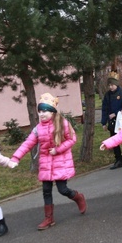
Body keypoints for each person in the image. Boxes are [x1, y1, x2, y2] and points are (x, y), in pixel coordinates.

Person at [11, 93, 86, 230]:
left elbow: (72, 139)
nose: (41, 114)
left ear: (52, 112)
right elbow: (28, 143)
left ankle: (78, 197)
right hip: (46, 163)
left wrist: (58, 150)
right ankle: (49, 219)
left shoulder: (62, 123)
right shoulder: (38, 129)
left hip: (60, 162)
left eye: (44, 111)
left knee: (62, 189)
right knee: (46, 190)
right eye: (39, 111)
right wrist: (16, 157)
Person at [101, 72, 122, 169]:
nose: (110, 87)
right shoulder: (107, 95)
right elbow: (104, 108)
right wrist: (103, 122)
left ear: (116, 84)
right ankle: (118, 160)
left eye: (112, 85)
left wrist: (117, 112)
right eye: (109, 85)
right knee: (114, 141)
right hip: (112, 123)